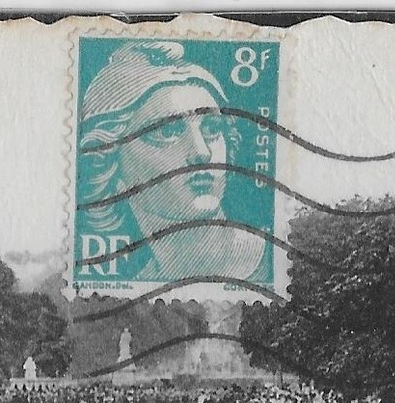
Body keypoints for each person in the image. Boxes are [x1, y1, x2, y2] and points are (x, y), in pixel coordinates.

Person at [75, 40, 268, 284]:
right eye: (166, 132)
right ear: (108, 162)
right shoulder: (140, 283)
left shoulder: (278, 259)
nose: (201, 153)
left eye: (211, 127)